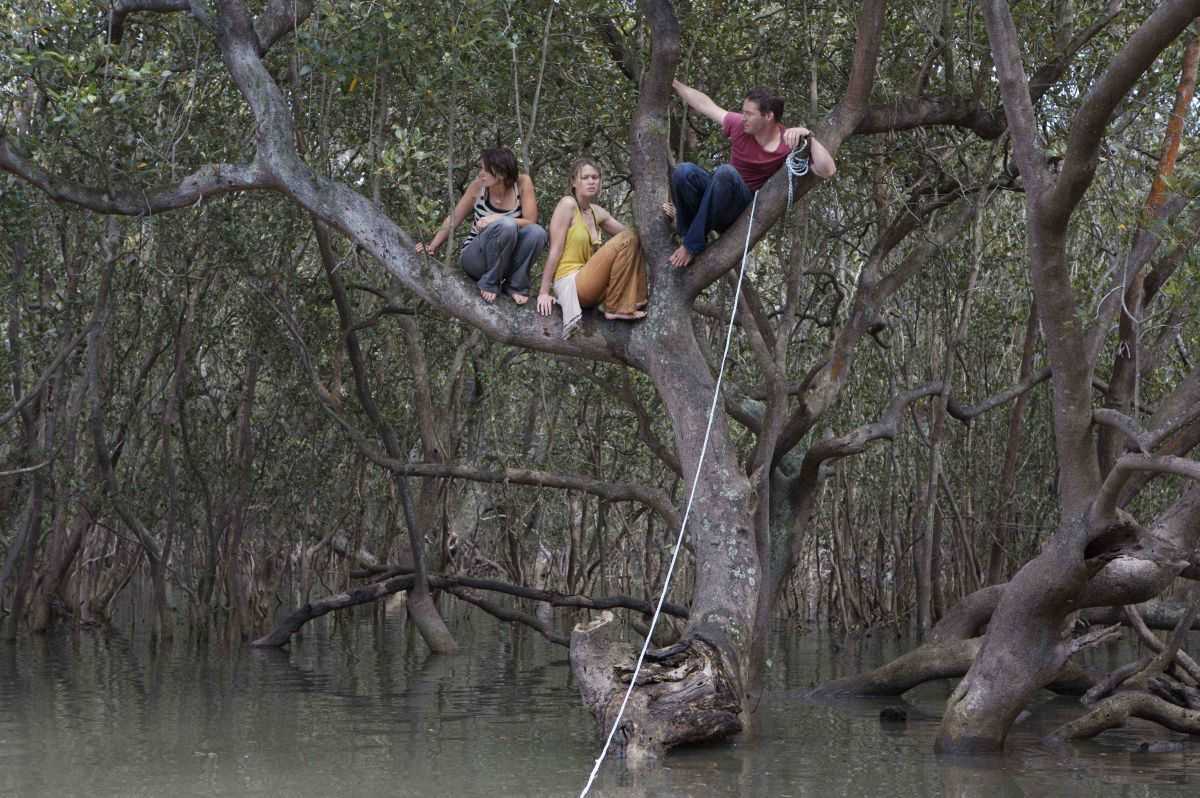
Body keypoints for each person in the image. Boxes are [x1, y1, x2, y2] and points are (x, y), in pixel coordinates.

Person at [666, 82, 837, 268]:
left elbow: (827, 169)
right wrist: (674, 83)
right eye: (743, 112)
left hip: (739, 210)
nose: (744, 118)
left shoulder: (787, 142)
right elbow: (705, 105)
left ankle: (691, 246)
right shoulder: (739, 125)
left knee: (726, 173)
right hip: (716, 199)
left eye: (749, 114)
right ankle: (685, 229)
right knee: (683, 172)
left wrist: (808, 135)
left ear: (768, 116)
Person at [416, 147, 547, 303]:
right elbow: (454, 218)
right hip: (476, 258)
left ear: (501, 173)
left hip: (505, 261)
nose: (480, 174)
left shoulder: (523, 183)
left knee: (537, 233)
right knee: (506, 226)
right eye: (481, 168)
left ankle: (515, 286)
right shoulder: (478, 187)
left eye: (485, 170)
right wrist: (433, 245)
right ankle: (489, 283)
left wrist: (496, 218)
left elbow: (530, 222)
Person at [536, 158, 648, 338]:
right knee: (628, 238)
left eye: (595, 177)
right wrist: (543, 292)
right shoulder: (568, 204)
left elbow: (634, 238)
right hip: (571, 282)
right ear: (574, 182)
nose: (591, 181)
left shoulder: (597, 212)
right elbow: (555, 249)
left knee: (632, 238)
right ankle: (617, 307)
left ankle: (636, 302)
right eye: (585, 177)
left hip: (591, 287)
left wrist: (669, 218)